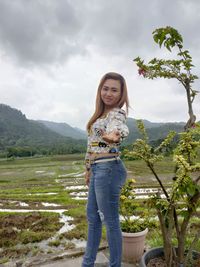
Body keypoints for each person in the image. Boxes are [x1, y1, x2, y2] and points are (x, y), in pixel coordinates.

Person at [82, 72, 129, 267]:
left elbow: (120, 128)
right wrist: (87, 169)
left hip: (109, 169)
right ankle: (87, 263)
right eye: (105, 88)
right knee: (93, 218)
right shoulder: (98, 115)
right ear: (100, 90)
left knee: (110, 222)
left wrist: (115, 135)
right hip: (97, 169)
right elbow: (90, 145)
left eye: (114, 90)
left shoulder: (116, 113)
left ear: (121, 94)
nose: (108, 93)